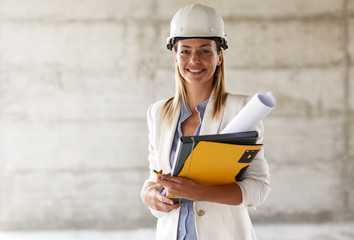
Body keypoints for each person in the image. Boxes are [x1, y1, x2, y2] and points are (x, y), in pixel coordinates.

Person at [141, 3, 270, 240]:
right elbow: (155, 176)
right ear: (175, 56)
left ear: (219, 56)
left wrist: (199, 192)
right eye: (185, 51)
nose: (194, 60)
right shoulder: (158, 112)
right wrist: (148, 194)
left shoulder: (242, 111)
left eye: (204, 51)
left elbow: (258, 188)